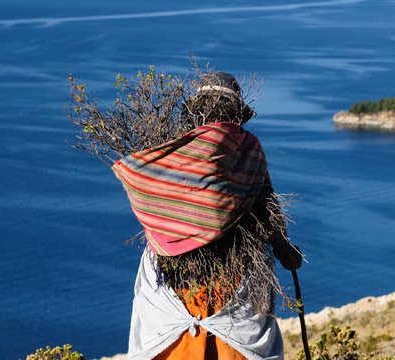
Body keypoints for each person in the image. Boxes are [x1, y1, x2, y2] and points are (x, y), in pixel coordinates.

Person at [112, 72, 302, 359]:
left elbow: (149, 195)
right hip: (233, 281)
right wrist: (285, 250)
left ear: (195, 110)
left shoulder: (170, 148)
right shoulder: (247, 147)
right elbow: (266, 209)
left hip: (170, 282)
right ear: (236, 112)